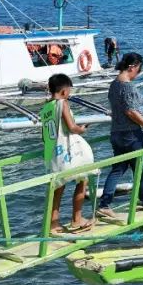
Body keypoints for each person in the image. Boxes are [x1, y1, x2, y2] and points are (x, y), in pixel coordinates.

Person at [97, 53, 143, 218]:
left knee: (119, 168)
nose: (138, 73)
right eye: (139, 70)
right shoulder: (128, 87)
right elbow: (131, 112)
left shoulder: (113, 85)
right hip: (132, 135)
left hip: (116, 132)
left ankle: (105, 204)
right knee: (140, 168)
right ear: (132, 67)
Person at [39, 73, 95, 232]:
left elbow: (44, 135)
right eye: (69, 90)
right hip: (66, 151)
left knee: (58, 189)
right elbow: (71, 127)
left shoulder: (45, 108)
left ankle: (53, 224)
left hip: (52, 153)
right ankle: (77, 219)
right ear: (64, 91)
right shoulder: (62, 103)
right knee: (82, 180)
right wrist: (82, 129)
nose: (69, 93)